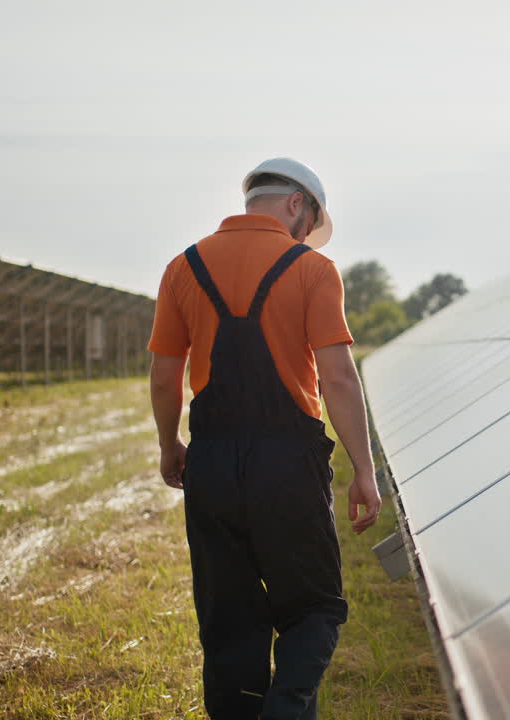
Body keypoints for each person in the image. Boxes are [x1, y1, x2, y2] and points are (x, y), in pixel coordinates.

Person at [147, 157, 381, 719]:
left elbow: (162, 374)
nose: (308, 236)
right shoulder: (313, 270)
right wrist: (364, 471)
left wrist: (170, 445)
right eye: (310, 221)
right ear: (296, 205)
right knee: (315, 610)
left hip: (212, 463)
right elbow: (338, 377)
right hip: (289, 464)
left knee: (229, 621)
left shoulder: (184, 267)